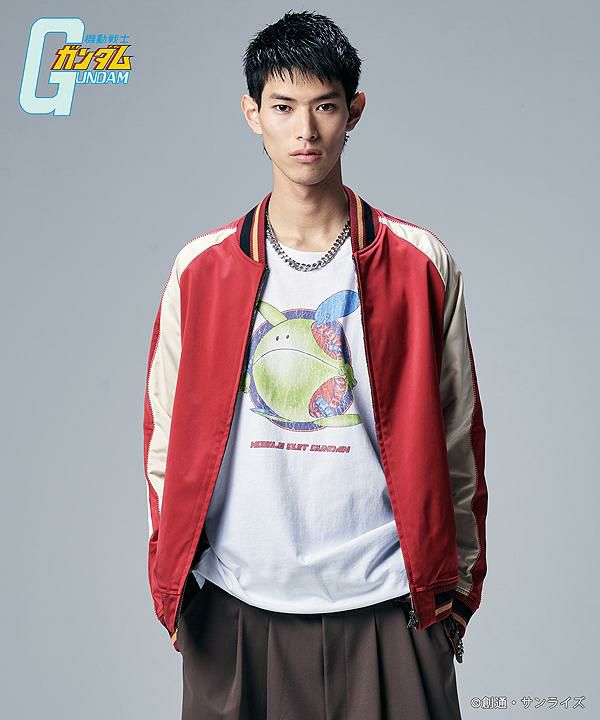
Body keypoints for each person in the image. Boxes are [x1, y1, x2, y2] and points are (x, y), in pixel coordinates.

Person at [142, 10, 488, 720]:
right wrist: (173, 584)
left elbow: (459, 438)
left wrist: (455, 591)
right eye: (283, 107)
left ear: (353, 111)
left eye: (325, 106)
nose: (305, 130)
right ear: (252, 114)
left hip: (391, 604)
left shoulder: (419, 264)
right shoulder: (200, 270)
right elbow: (166, 436)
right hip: (235, 609)